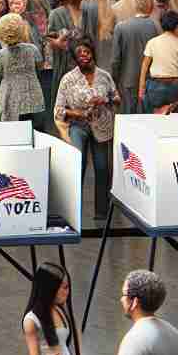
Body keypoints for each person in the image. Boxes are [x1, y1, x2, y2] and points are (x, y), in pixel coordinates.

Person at [53, 34, 117, 223]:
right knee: (77, 164)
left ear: (93, 53)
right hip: (78, 126)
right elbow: (58, 109)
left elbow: (117, 99)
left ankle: (102, 213)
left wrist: (104, 100)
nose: (84, 57)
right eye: (80, 54)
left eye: (87, 52)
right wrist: (78, 114)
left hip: (102, 125)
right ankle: (72, 210)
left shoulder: (104, 76)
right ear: (75, 58)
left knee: (103, 167)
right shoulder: (68, 79)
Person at [0, 12, 46, 124]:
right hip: (33, 98)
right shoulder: (32, 49)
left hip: (10, 100)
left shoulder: (1, 55)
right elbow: (40, 66)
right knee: (35, 134)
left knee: (13, 135)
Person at [111, 0, 158, 116]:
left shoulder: (121, 27)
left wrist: (114, 80)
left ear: (134, 6)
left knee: (128, 118)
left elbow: (115, 59)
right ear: (150, 6)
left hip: (127, 79)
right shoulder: (156, 27)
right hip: (150, 80)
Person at [140, 10, 178, 114]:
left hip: (155, 86)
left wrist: (141, 86)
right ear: (176, 25)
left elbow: (145, 65)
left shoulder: (152, 42)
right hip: (175, 86)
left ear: (161, 24)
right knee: (172, 118)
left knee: (154, 117)